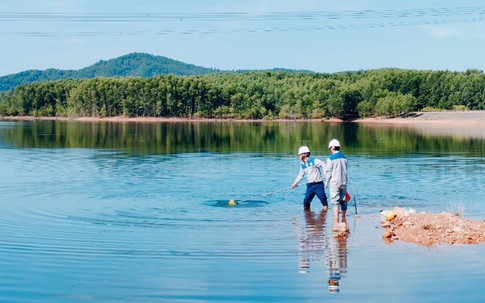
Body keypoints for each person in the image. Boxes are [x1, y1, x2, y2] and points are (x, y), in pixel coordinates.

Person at [291, 146, 328, 210]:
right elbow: (300, 175)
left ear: (305, 154)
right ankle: (308, 216)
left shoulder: (314, 160)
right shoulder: (302, 164)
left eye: (300, 154)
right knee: (306, 201)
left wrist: (325, 173)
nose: (299, 156)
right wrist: (294, 184)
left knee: (322, 199)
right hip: (310, 185)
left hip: (318, 184)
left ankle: (325, 213)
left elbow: (323, 164)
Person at [324, 139, 349, 231]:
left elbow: (329, 172)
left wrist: (326, 182)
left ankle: (336, 219)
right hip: (344, 182)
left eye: (330, 147)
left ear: (333, 147)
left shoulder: (330, 159)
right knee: (343, 200)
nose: (330, 149)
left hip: (335, 182)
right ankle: (343, 217)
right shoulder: (345, 157)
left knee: (335, 201)